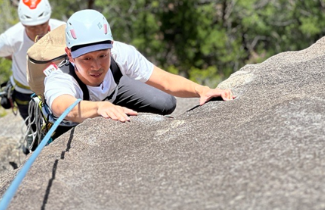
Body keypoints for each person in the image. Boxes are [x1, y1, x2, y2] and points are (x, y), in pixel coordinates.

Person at [45, 10, 233, 125]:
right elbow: (63, 107)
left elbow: (166, 81)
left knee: (166, 102)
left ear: (111, 46)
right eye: (86, 58)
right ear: (70, 55)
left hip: (112, 95)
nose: (96, 65)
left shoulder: (120, 53)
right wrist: (99, 108)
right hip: (76, 116)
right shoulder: (61, 77)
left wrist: (202, 90)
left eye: (103, 55)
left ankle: (114, 107)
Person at [0, 0, 66, 121]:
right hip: (25, 91)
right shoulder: (11, 38)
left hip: (57, 86)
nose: (39, 30)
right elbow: (3, 53)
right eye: (32, 27)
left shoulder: (62, 29)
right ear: (23, 24)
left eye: (43, 24)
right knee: (33, 125)